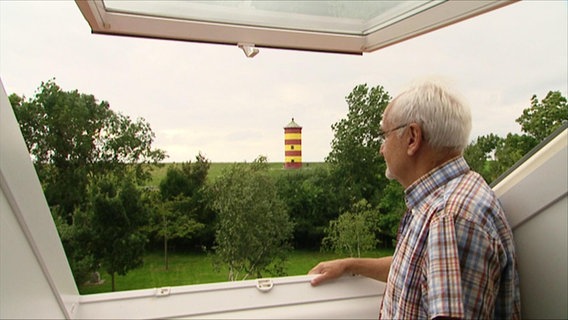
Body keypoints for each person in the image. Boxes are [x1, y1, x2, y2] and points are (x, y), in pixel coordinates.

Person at [309, 79, 521, 319]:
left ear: (412, 138)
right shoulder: (450, 197)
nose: (381, 149)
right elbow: (416, 270)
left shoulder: (449, 219)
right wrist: (350, 265)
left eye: (385, 136)